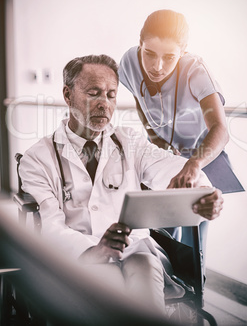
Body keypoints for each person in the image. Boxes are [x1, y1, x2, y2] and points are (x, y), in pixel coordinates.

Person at [19, 54, 223, 315]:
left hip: (135, 248)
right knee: (111, 292)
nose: (104, 104)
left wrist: (204, 194)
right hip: (78, 255)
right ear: (68, 95)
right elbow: (49, 225)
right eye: (94, 93)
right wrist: (94, 250)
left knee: (147, 284)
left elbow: (172, 169)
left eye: (111, 95)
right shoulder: (38, 158)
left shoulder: (129, 142)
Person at [118, 9, 240, 255]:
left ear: (182, 54)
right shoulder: (129, 61)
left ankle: (196, 287)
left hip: (201, 154)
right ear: (139, 44)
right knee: (163, 227)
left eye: (169, 57)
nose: (157, 66)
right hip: (168, 154)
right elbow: (139, 99)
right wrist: (154, 140)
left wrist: (194, 164)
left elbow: (220, 129)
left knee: (195, 227)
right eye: (149, 53)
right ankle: (166, 281)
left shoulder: (196, 71)